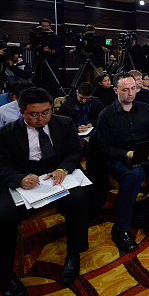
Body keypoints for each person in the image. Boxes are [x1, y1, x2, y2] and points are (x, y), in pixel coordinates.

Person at [0, 87, 88, 291]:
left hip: (55, 174)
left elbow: (76, 150)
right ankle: (5, 273)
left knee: (79, 199)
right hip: (24, 176)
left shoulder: (63, 123)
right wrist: (19, 179)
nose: (41, 119)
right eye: (34, 114)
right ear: (22, 112)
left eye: (46, 112)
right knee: (3, 214)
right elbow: (2, 165)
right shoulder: (7, 133)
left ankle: (74, 254)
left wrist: (63, 169)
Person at [97, 72, 149, 253]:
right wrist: (126, 153)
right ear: (115, 90)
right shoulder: (105, 115)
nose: (130, 93)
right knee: (135, 174)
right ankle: (121, 229)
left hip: (144, 154)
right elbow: (104, 147)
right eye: (125, 90)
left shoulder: (143, 108)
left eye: (133, 88)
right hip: (119, 158)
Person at [27, 18, 63, 98]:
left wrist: (49, 51)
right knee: (38, 82)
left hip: (51, 63)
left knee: (53, 83)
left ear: (50, 27)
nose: (46, 28)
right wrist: (29, 46)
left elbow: (58, 51)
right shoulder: (37, 35)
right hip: (38, 63)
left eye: (47, 26)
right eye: (43, 26)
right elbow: (31, 44)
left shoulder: (55, 37)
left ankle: (55, 101)